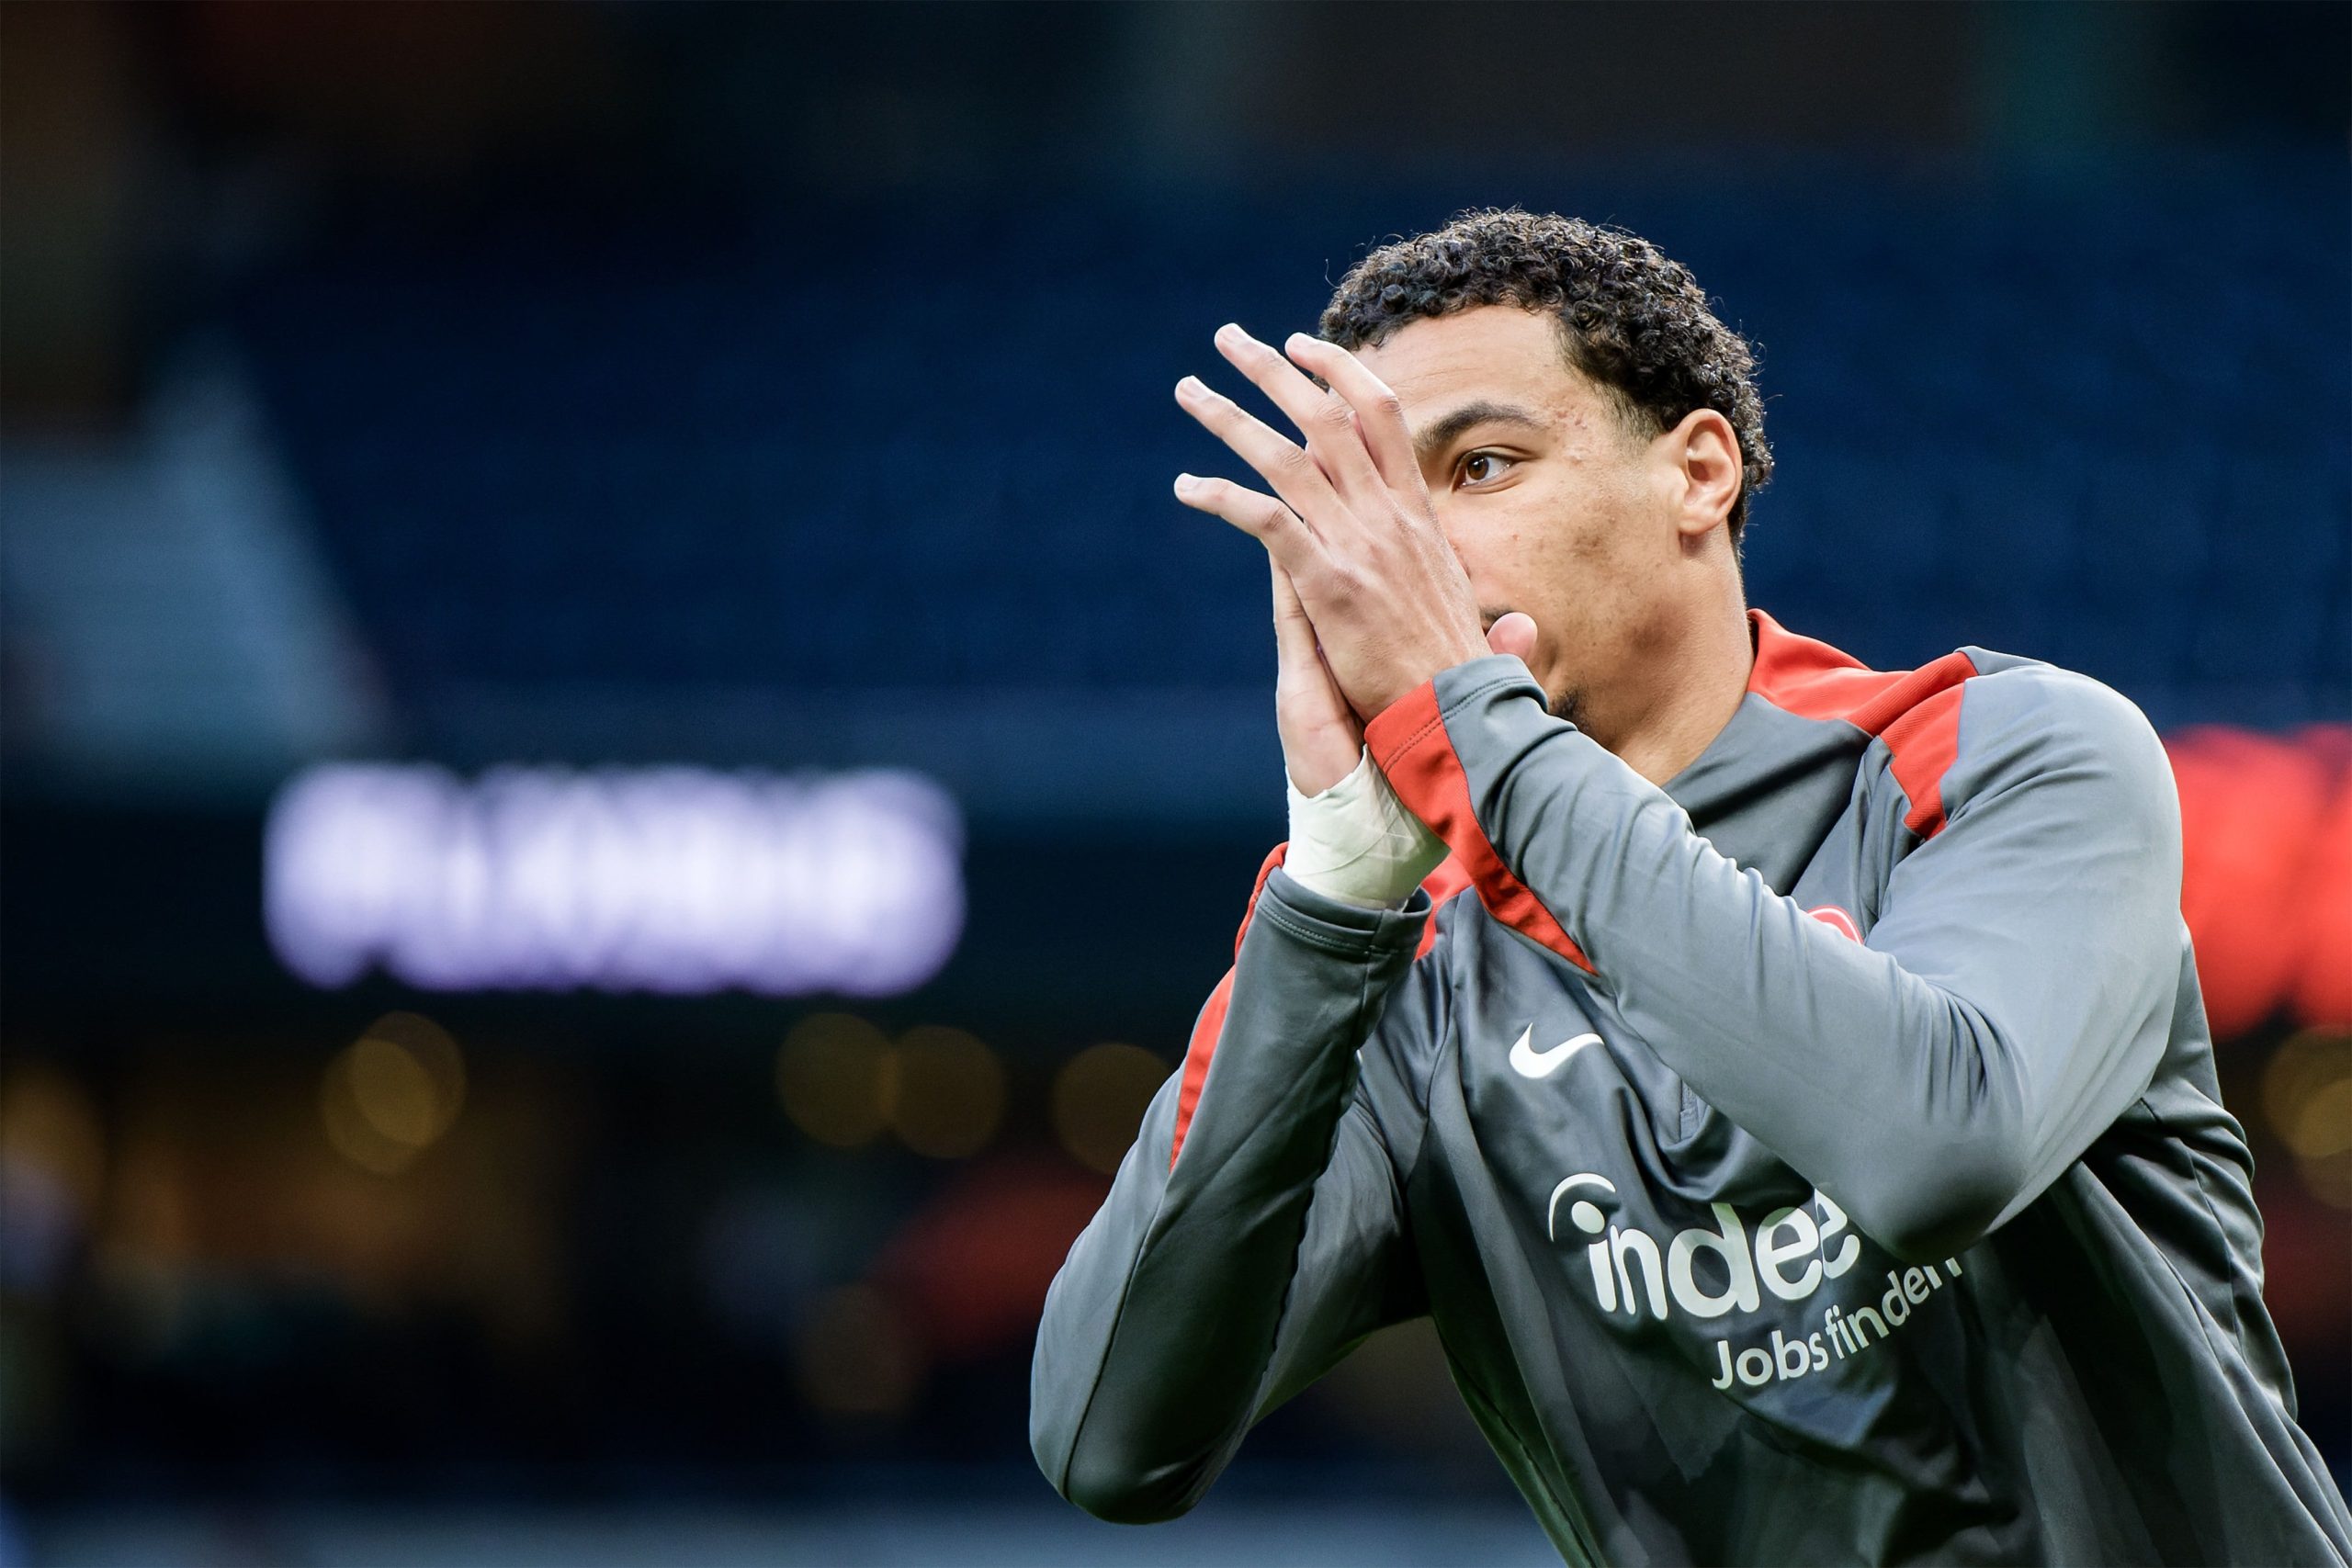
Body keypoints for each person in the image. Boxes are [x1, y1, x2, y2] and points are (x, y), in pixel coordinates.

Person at [1027, 209, 2352, 1565]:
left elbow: (1937, 1149)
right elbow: (1112, 1438)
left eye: (1481, 467)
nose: (1411, 562)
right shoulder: (1412, 971)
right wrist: (1332, 892)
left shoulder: (2002, 756)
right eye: (1377, 514)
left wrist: (1469, 722)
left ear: (1699, 472)